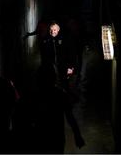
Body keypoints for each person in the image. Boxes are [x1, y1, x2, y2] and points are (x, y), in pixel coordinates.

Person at [34, 20, 85, 153]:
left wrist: (70, 67)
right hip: (56, 138)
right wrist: (77, 135)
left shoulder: (36, 96)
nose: (53, 33)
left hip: (42, 139)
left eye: (55, 30)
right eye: (51, 31)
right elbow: (69, 116)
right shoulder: (59, 96)